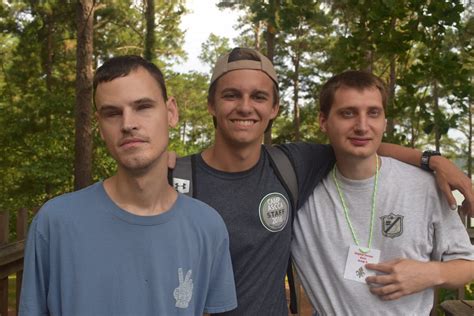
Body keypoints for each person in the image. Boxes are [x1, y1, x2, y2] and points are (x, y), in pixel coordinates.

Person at [174, 47, 474, 315]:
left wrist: (432, 160)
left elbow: (359, 142)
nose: (361, 125)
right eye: (231, 95)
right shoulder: (180, 180)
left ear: (274, 108)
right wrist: (153, 163)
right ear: (211, 104)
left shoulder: (292, 169)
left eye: (373, 114)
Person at [19, 55, 237, 315]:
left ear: (171, 112)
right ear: (100, 126)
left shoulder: (207, 227)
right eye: (112, 113)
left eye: (143, 106)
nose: (128, 124)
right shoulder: (55, 224)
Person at [291, 70, 474, 315]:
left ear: (384, 122)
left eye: (373, 113)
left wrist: (430, 273)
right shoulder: (299, 188)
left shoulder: (424, 187)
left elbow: (468, 263)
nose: (362, 126)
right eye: (348, 113)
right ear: (323, 121)